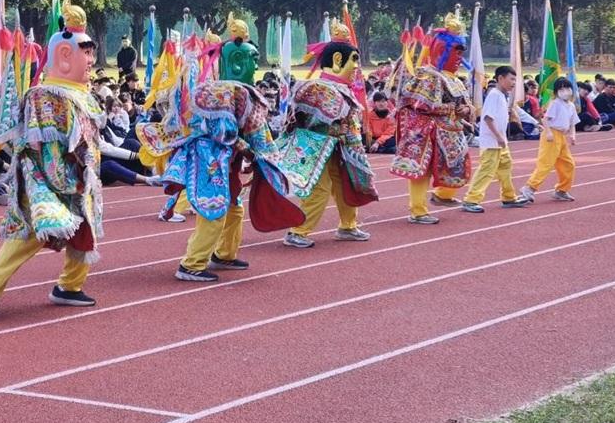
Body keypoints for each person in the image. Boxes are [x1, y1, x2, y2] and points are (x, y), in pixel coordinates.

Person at [139, 18, 303, 283]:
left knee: (234, 209)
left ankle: (224, 254)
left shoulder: (241, 91)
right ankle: (191, 264)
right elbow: (223, 133)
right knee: (212, 211)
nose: (254, 65)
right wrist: (249, 150)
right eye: (251, 58)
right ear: (236, 59)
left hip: (227, 162)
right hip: (210, 159)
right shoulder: (219, 92)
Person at [0, 0, 106, 321]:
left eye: (91, 53)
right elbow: (41, 144)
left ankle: (69, 286)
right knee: (32, 234)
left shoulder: (83, 96)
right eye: (86, 53)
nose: (91, 61)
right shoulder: (44, 95)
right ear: (64, 55)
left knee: (84, 232)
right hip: (45, 178)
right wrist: (58, 178)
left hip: (80, 176)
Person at [283, 28, 378, 248]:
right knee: (320, 190)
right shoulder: (318, 88)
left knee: (346, 184)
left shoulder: (340, 88)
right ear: (337, 60)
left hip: (339, 149)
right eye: (354, 60)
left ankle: (348, 226)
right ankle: (298, 231)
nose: (357, 67)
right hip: (316, 149)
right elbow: (308, 122)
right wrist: (338, 130)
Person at [390, 15, 473, 223]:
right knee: (423, 170)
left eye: (461, 52)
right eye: (456, 51)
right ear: (442, 50)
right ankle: (418, 211)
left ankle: (442, 195)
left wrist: (464, 110)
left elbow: (461, 105)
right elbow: (424, 105)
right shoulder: (427, 76)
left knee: (456, 164)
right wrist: (453, 109)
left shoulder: (455, 79)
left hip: (450, 132)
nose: (459, 57)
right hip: (426, 133)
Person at [461, 66, 532, 213]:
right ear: (500, 78)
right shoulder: (494, 95)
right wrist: (499, 137)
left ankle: (508, 197)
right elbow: (488, 118)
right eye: (511, 79)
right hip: (491, 142)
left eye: (515, 80)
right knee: (487, 170)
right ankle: (471, 199)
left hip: (500, 142)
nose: (514, 83)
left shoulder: (502, 95)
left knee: (505, 168)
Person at [521, 77, 581, 203]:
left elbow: (572, 123)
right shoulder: (555, 103)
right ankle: (529, 188)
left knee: (568, 164)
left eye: (567, 88)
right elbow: (545, 119)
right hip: (552, 135)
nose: (565, 92)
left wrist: (573, 135)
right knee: (546, 163)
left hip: (562, 136)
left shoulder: (571, 106)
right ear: (556, 92)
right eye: (561, 89)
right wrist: (548, 132)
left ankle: (561, 190)